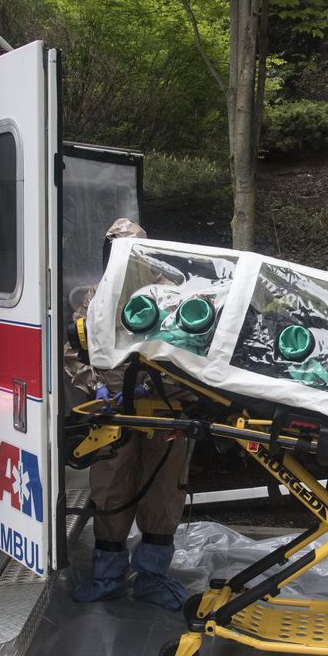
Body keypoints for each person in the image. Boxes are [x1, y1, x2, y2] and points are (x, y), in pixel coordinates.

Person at [64, 219, 192, 610]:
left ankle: (152, 577)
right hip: (113, 411)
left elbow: (192, 357)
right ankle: (108, 576)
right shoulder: (95, 297)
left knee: (164, 489)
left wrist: (168, 392)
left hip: (165, 410)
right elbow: (75, 350)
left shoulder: (172, 296)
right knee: (111, 489)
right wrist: (97, 386)